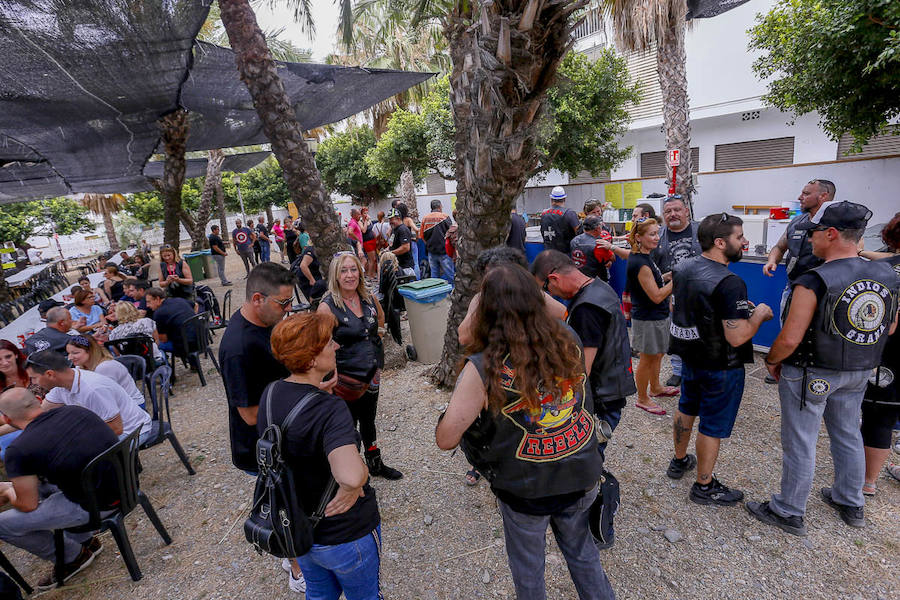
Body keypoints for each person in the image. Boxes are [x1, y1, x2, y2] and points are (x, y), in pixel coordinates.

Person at [436, 264, 615, 600]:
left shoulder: (483, 367)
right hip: (579, 472)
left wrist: (482, 300)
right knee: (584, 557)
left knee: (529, 572)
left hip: (526, 489)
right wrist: (521, 291)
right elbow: (558, 309)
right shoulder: (568, 336)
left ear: (485, 310)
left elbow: (446, 438)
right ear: (537, 298)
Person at [746, 201, 900, 535]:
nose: (811, 239)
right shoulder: (887, 273)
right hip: (860, 370)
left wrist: (772, 361)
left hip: (812, 370)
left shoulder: (814, 279)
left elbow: (790, 338)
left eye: (815, 232)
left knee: (801, 439)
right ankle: (850, 500)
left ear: (831, 234)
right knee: (847, 433)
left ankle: (789, 509)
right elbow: (888, 328)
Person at [265, 312, 383, 599]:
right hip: (344, 532)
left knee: (319, 594)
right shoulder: (329, 410)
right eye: (329, 343)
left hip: (300, 528)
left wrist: (319, 393)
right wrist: (355, 484)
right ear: (312, 359)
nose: (337, 346)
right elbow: (351, 475)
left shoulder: (271, 393)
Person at [665, 214, 773, 504]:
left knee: (687, 406)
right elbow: (736, 337)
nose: (745, 242)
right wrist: (760, 315)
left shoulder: (683, 266)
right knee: (711, 424)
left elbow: (700, 305)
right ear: (720, 242)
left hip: (691, 356)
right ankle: (704, 485)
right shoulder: (730, 281)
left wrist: (735, 311)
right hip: (720, 364)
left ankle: (678, 461)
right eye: (740, 237)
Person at [218, 263, 306, 593]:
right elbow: (251, 415)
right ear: (258, 299)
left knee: (295, 504)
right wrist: (299, 402)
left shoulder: (266, 323)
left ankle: (292, 552)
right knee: (285, 507)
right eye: (283, 304)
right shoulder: (238, 347)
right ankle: (297, 572)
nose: (288, 310)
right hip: (262, 448)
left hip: (279, 439)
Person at [0, 388, 116, 590]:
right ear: (39, 400)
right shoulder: (77, 412)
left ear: (6, 419)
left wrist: (8, 491)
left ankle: (73, 557)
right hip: (122, 486)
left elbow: (28, 505)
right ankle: (87, 542)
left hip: (97, 505)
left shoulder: (18, 450)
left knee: (1, 524)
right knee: (43, 484)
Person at [531, 250, 636, 459]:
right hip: (612, 388)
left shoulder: (587, 309)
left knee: (586, 456)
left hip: (601, 398)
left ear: (554, 278)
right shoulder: (599, 287)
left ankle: (590, 489)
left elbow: (581, 370)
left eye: (546, 289)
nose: (551, 294)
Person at [318, 253, 402, 480]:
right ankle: (352, 475)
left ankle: (375, 463)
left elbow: (381, 318)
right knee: (346, 428)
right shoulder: (327, 307)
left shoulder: (368, 298)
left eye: (353, 270)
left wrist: (378, 341)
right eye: (344, 271)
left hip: (372, 375)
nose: (349, 275)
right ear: (335, 275)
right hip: (344, 381)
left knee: (369, 421)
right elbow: (319, 346)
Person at [27, 349, 151, 444]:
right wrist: (10, 420)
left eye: (34, 378)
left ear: (49, 374)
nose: (33, 383)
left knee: (76, 456)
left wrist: (74, 436)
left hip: (134, 431)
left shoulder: (92, 389)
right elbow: (41, 411)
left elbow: (116, 429)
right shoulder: (62, 385)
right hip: (119, 430)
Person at [859, 213, 900, 494]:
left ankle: (868, 481)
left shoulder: (888, 273)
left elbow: (890, 325)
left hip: (892, 354)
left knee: (879, 415)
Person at [649, 195, 701, 389]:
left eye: (677, 210)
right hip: (671, 294)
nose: (673, 214)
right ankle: (678, 371)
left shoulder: (702, 231)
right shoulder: (657, 235)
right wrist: (663, 280)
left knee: (701, 331)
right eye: (668, 211)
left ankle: (698, 367)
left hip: (700, 291)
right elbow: (651, 267)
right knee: (675, 333)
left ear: (686, 210)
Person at [627, 218, 677, 414]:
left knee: (657, 354)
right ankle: (642, 398)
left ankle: (655, 388)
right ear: (639, 237)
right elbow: (656, 296)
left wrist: (666, 277)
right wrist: (676, 282)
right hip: (648, 318)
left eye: (657, 233)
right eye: (652, 234)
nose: (657, 238)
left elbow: (652, 281)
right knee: (647, 358)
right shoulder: (641, 263)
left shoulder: (646, 257)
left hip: (657, 316)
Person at [763, 179, 835, 317]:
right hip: (792, 288)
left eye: (806, 194)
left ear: (823, 196)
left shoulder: (837, 224)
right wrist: (772, 261)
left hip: (823, 293)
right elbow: (779, 246)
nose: (799, 197)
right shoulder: (797, 221)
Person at [66, 334, 146, 410]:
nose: (69, 358)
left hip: (132, 407)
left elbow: (105, 399)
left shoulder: (105, 367)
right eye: (69, 353)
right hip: (112, 406)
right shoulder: (80, 366)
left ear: (90, 351)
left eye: (75, 353)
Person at [145, 287, 195, 356]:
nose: (147, 305)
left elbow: (163, 340)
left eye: (148, 302)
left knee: (153, 347)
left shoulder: (159, 313)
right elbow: (196, 305)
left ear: (157, 299)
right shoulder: (179, 300)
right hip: (201, 339)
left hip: (185, 346)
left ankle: (164, 365)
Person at [570, 216, 615, 282]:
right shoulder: (599, 245)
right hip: (594, 281)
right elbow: (612, 258)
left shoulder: (574, 240)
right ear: (597, 228)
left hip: (577, 278)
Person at [420, 199, 454, 284]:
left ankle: (436, 295)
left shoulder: (425, 218)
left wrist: (428, 245)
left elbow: (422, 236)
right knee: (450, 274)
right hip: (444, 251)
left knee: (434, 276)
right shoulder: (444, 217)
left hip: (431, 252)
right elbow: (451, 233)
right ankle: (453, 292)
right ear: (439, 207)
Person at [540, 185, 579, 253]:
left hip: (548, 254)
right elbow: (579, 233)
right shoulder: (569, 213)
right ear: (564, 199)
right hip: (565, 254)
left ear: (551, 199)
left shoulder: (543, 214)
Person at [296, 239, 326, 304]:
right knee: (313, 298)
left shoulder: (320, 251)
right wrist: (311, 279)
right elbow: (303, 266)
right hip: (306, 277)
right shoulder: (311, 250)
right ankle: (312, 310)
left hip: (315, 274)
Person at [387, 208, 415, 274]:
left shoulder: (403, 229)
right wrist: (386, 250)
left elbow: (406, 247)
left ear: (398, 218)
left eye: (391, 219)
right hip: (397, 266)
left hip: (405, 266)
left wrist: (390, 253)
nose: (390, 222)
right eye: (389, 219)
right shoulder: (394, 229)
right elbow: (391, 244)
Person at [360, 207, 378, 279]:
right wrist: (365, 221)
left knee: (374, 259)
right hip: (367, 241)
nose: (366, 214)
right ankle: (370, 275)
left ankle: (373, 274)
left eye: (367, 213)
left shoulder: (369, 221)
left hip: (372, 240)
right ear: (361, 214)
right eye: (364, 213)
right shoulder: (360, 222)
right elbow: (364, 231)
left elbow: (372, 230)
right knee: (371, 259)